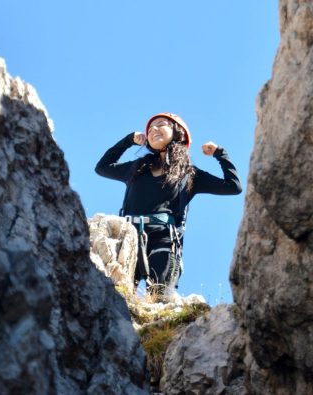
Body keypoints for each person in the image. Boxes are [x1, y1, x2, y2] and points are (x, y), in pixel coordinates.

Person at [95, 112, 242, 298]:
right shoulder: (137, 168)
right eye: (150, 128)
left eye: (161, 124)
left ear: (178, 133)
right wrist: (128, 140)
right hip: (129, 236)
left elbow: (233, 187)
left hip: (163, 238)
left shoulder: (190, 174)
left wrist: (220, 154)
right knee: (118, 296)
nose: (153, 129)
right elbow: (102, 168)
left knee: (160, 296)